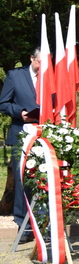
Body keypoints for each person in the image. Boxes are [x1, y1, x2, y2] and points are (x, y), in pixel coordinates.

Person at [0, 48, 40, 239]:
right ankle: (22, 223)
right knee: (21, 178)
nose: (42, 67)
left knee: (43, 180)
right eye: (40, 62)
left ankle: (42, 221)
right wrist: (20, 112)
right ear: (31, 58)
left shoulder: (53, 77)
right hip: (20, 134)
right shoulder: (15, 76)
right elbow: (3, 103)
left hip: (45, 135)